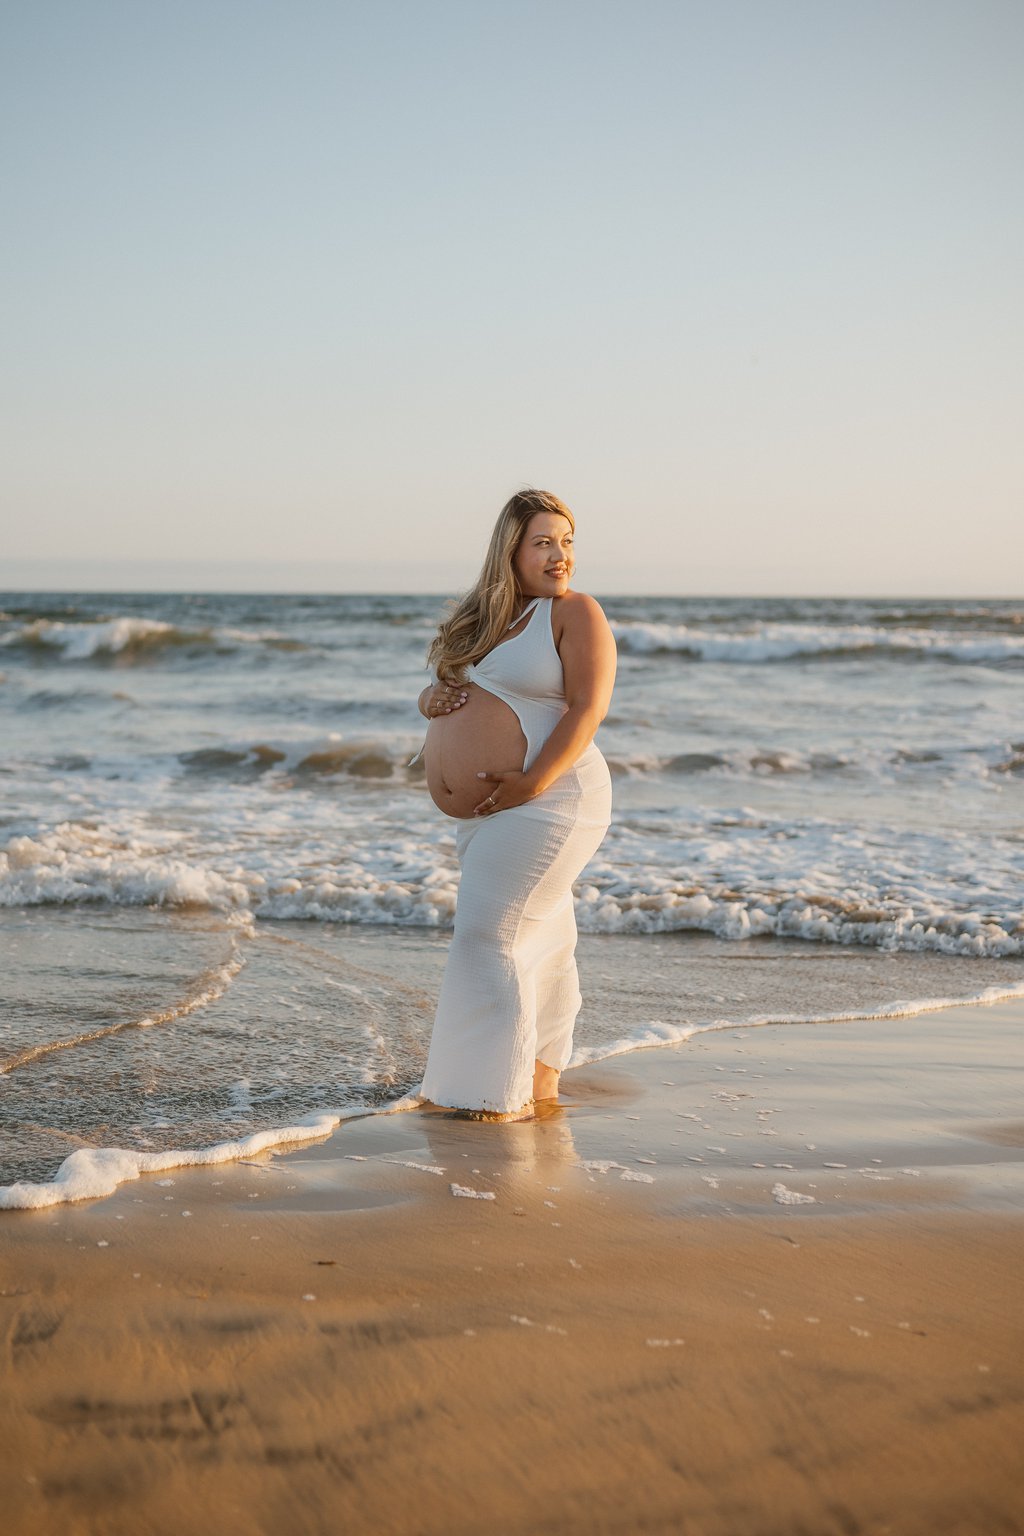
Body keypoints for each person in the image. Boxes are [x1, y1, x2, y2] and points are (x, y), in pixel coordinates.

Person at [415, 488, 617, 1118]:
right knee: (544, 941)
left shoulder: (575, 612)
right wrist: (431, 701)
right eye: (543, 542)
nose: (560, 556)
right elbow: (455, 689)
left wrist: (531, 782)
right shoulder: (484, 621)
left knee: (486, 937)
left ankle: (489, 1098)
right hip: (497, 813)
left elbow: (588, 709)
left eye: (567, 541)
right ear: (511, 550)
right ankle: (537, 1080)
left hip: (553, 798)